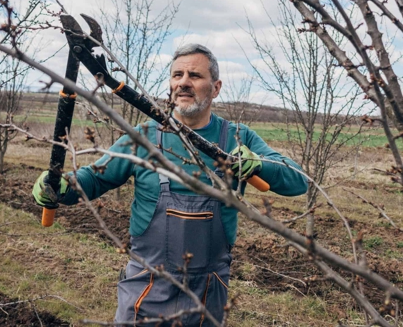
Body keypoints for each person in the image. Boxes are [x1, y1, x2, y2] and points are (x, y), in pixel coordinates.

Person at [33, 44, 308, 326]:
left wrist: (260, 165)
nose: (184, 82)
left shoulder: (237, 138)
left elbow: (298, 181)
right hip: (146, 285)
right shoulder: (144, 135)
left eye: (195, 75)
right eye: (177, 75)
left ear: (216, 88)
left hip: (207, 294)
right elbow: (96, 177)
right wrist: (62, 185)